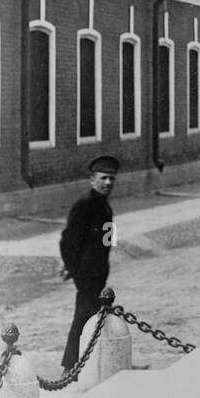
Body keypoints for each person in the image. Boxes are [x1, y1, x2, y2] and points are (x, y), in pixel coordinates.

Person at [59, 155, 119, 372]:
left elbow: (108, 239)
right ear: (92, 180)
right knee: (84, 316)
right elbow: (67, 240)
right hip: (86, 275)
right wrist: (73, 268)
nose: (108, 183)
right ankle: (70, 366)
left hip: (99, 272)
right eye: (104, 178)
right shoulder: (84, 205)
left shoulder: (105, 207)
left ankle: (92, 361)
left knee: (93, 315)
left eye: (112, 179)